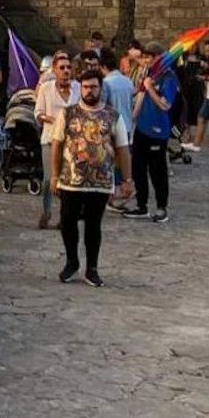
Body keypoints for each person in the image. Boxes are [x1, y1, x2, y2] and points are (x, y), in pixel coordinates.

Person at [50, 71, 133, 287]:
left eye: (93, 87)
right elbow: (57, 144)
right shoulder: (68, 114)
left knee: (93, 225)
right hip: (71, 180)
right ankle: (71, 261)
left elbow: (122, 148)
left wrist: (127, 179)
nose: (89, 91)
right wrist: (53, 175)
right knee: (67, 222)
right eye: (86, 87)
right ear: (81, 88)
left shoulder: (112, 116)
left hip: (100, 181)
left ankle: (92, 268)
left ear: (100, 89)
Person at [122, 43, 178, 222]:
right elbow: (141, 96)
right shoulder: (148, 74)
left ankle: (162, 208)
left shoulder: (168, 77)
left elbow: (165, 105)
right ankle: (141, 205)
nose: (145, 60)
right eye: (144, 57)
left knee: (157, 171)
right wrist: (133, 118)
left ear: (158, 58)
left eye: (149, 57)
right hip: (141, 129)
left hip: (158, 131)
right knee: (138, 169)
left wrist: (150, 88)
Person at [34, 52, 78, 229]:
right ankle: (46, 210)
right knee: (48, 178)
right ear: (54, 70)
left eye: (68, 67)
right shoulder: (46, 88)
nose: (66, 71)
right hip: (50, 138)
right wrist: (53, 119)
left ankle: (64, 215)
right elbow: (38, 113)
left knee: (67, 180)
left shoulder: (78, 87)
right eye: (62, 68)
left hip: (71, 141)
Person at [98, 50, 135, 211]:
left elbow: (103, 106)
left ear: (103, 66)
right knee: (123, 160)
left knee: (110, 162)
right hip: (126, 125)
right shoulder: (128, 81)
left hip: (112, 126)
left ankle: (111, 195)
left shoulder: (106, 83)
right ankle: (121, 188)